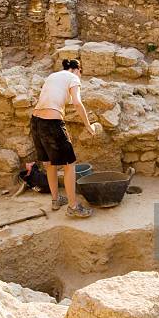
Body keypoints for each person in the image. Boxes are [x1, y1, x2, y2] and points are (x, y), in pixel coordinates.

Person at [30, 59, 96, 218]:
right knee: (69, 164)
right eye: (80, 72)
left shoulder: (53, 76)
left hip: (36, 122)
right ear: (77, 70)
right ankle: (73, 207)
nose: (80, 76)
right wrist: (88, 125)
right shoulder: (73, 78)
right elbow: (77, 103)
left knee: (50, 164)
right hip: (52, 123)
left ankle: (55, 200)